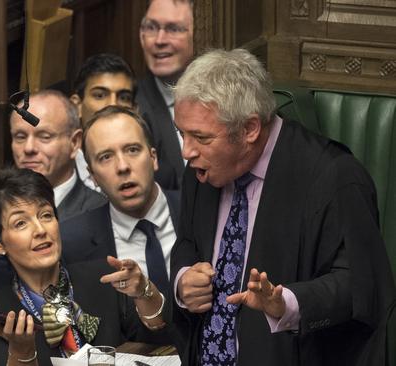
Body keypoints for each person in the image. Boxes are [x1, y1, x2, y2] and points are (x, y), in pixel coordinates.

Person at [171, 48, 396, 366]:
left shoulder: (334, 177)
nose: (186, 151)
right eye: (182, 133)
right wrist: (183, 280)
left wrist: (287, 303)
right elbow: (187, 243)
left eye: (200, 137)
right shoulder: (202, 166)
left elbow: (357, 284)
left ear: (249, 129)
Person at [0, 168, 170, 366]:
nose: (40, 230)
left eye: (46, 215)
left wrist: (145, 293)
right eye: (20, 223)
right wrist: (22, 352)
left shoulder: (104, 278)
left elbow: (160, 342)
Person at [60, 106, 180, 300]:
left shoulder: (197, 212)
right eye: (106, 157)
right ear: (93, 177)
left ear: (153, 158)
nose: (122, 167)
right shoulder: (72, 243)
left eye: (132, 150)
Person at [10, 89, 105, 221]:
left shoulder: (98, 212)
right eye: (20, 137)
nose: (29, 148)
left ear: (74, 142)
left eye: (44, 137)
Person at [136, 0, 194, 190]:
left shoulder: (223, 96)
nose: (159, 40)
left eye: (173, 29)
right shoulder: (132, 107)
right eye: (151, 28)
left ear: (199, 34)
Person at [69, 53, 136, 192]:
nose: (112, 104)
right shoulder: (60, 172)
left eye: (124, 97)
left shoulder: (159, 174)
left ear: (135, 110)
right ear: (77, 106)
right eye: (100, 95)